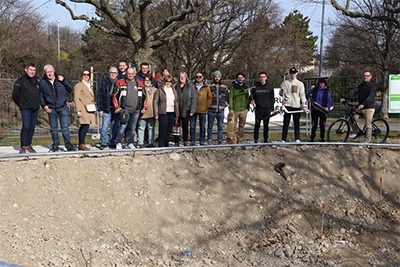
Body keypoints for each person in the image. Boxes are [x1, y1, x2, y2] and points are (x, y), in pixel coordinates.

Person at [39, 64, 78, 152]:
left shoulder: (60, 80)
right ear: (45, 73)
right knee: (53, 128)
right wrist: (44, 106)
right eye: (47, 72)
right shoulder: (42, 82)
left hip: (62, 107)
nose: (50, 74)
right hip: (51, 108)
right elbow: (40, 96)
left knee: (65, 128)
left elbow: (71, 89)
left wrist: (64, 80)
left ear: (54, 71)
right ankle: (55, 145)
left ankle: (68, 145)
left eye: (51, 71)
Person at [340, 71, 377, 142]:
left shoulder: (373, 86)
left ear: (370, 77)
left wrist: (364, 104)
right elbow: (354, 91)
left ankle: (367, 141)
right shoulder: (362, 85)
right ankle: (356, 132)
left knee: (368, 125)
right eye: (364, 76)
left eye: (367, 76)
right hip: (360, 106)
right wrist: (344, 97)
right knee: (351, 119)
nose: (365, 77)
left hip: (369, 107)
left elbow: (371, 96)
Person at [12, 63, 40, 154]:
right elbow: (15, 95)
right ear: (26, 70)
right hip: (25, 108)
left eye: (34, 70)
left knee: (32, 127)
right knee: (26, 126)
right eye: (31, 70)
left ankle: (29, 144)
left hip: (35, 108)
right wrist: (21, 104)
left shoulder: (37, 82)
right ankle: (23, 146)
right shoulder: (20, 81)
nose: (32, 72)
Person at [114, 67, 142, 149]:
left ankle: (131, 142)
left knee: (132, 128)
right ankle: (119, 142)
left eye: (132, 74)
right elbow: (115, 95)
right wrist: (117, 106)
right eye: (128, 73)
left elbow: (144, 96)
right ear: (126, 74)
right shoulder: (120, 82)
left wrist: (142, 107)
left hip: (136, 110)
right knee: (122, 126)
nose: (130, 75)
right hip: (124, 109)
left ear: (135, 74)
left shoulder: (139, 83)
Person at [280, 67, 308, 142]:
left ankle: (297, 138)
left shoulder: (300, 84)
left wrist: (304, 106)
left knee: (296, 123)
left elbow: (302, 95)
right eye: (291, 73)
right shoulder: (285, 83)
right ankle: (283, 139)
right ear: (289, 74)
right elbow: (281, 94)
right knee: (286, 123)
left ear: (296, 74)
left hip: (296, 106)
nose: (293, 75)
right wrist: (282, 90)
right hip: (287, 106)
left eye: (294, 73)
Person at [250, 71, 276, 143]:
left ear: (266, 78)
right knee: (257, 124)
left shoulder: (270, 87)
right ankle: (255, 139)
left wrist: (272, 108)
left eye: (263, 77)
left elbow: (272, 98)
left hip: (267, 108)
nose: (262, 78)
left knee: (266, 125)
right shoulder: (255, 87)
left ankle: (265, 139)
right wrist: (252, 100)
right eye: (261, 77)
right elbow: (251, 96)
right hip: (258, 108)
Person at [97, 67, 119, 149]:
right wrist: (100, 109)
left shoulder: (119, 83)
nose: (113, 74)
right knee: (104, 127)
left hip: (116, 109)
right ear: (109, 73)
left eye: (115, 73)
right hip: (106, 108)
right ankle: (103, 142)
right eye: (112, 72)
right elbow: (99, 96)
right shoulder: (104, 82)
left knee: (114, 127)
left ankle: (112, 142)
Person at [154, 75, 179, 147]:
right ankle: (161, 144)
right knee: (163, 128)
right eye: (167, 81)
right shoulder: (160, 90)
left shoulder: (173, 90)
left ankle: (166, 143)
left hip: (171, 111)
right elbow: (155, 102)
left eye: (170, 81)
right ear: (164, 82)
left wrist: (177, 114)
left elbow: (176, 101)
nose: (168, 83)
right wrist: (156, 113)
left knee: (169, 129)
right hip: (163, 112)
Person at [74, 70, 96, 151]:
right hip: (83, 108)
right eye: (84, 74)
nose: (86, 76)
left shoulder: (89, 85)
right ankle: (81, 144)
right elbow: (76, 98)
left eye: (88, 74)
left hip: (89, 108)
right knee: (84, 125)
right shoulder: (79, 85)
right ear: (81, 75)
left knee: (86, 125)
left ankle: (82, 143)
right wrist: (78, 110)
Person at [175, 72, 197, 146]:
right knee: (176, 126)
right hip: (177, 109)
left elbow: (194, 99)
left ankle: (185, 140)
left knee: (185, 126)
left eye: (183, 77)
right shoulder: (175, 86)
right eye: (181, 76)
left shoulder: (190, 87)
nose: (182, 78)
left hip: (186, 109)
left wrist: (192, 110)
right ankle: (176, 141)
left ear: (186, 78)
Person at [306, 77, 332, 142]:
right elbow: (307, 96)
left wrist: (327, 107)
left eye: (323, 83)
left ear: (325, 84)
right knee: (314, 124)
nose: (321, 85)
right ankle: (312, 137)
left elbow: (329, 100)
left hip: (322, 110)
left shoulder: (326, 91)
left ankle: (322, 138)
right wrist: (311, 90)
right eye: (320, 83)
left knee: (322, 125)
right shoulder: (315, 89)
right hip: (315, 109)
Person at [190, 72, 212, 145]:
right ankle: (192, 140)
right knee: (192, 126)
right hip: (194, 109)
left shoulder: (206, 87)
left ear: (203, 77)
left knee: (202, 126)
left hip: (203, 109)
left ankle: (202, 140)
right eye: (197, 77)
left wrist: (207, 105)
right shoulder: (191, 86)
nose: (198, 78)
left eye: (200, 77)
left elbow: (210, 97)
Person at [207, 71, 229, 145]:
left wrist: (224, 104)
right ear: (213, 78)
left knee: (220, 126)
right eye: (215, 77)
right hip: (211, 110)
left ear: (220, 78)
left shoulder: (224, 87)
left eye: (218, 77)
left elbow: (227, 97)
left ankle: (220, 140)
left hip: (220, 110)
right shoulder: (209, 87)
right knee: (210, 126)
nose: (217, 78)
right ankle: (209, 139)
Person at [228, 72, 249, 144]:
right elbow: (230, 97)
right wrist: (231, 108)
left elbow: (247, 98)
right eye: (239, 77)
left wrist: (247, 107)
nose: (240, 79)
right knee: (233, 125)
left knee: (242, 125)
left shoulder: (246, 87)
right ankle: (233, 139)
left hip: (244, 109)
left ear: (244, 78)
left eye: (241, 77)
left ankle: (240, 138)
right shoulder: (233, 87)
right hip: (235, 109)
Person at [137, 74, 157, 148]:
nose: (147, 82)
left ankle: (151, 142)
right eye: (146, 80)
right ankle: (141, 142)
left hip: (152, 111)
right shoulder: (141, 89)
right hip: (143, 112)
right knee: (141, 127)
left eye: (149, 80)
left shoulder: (155, 90)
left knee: (151, 127)